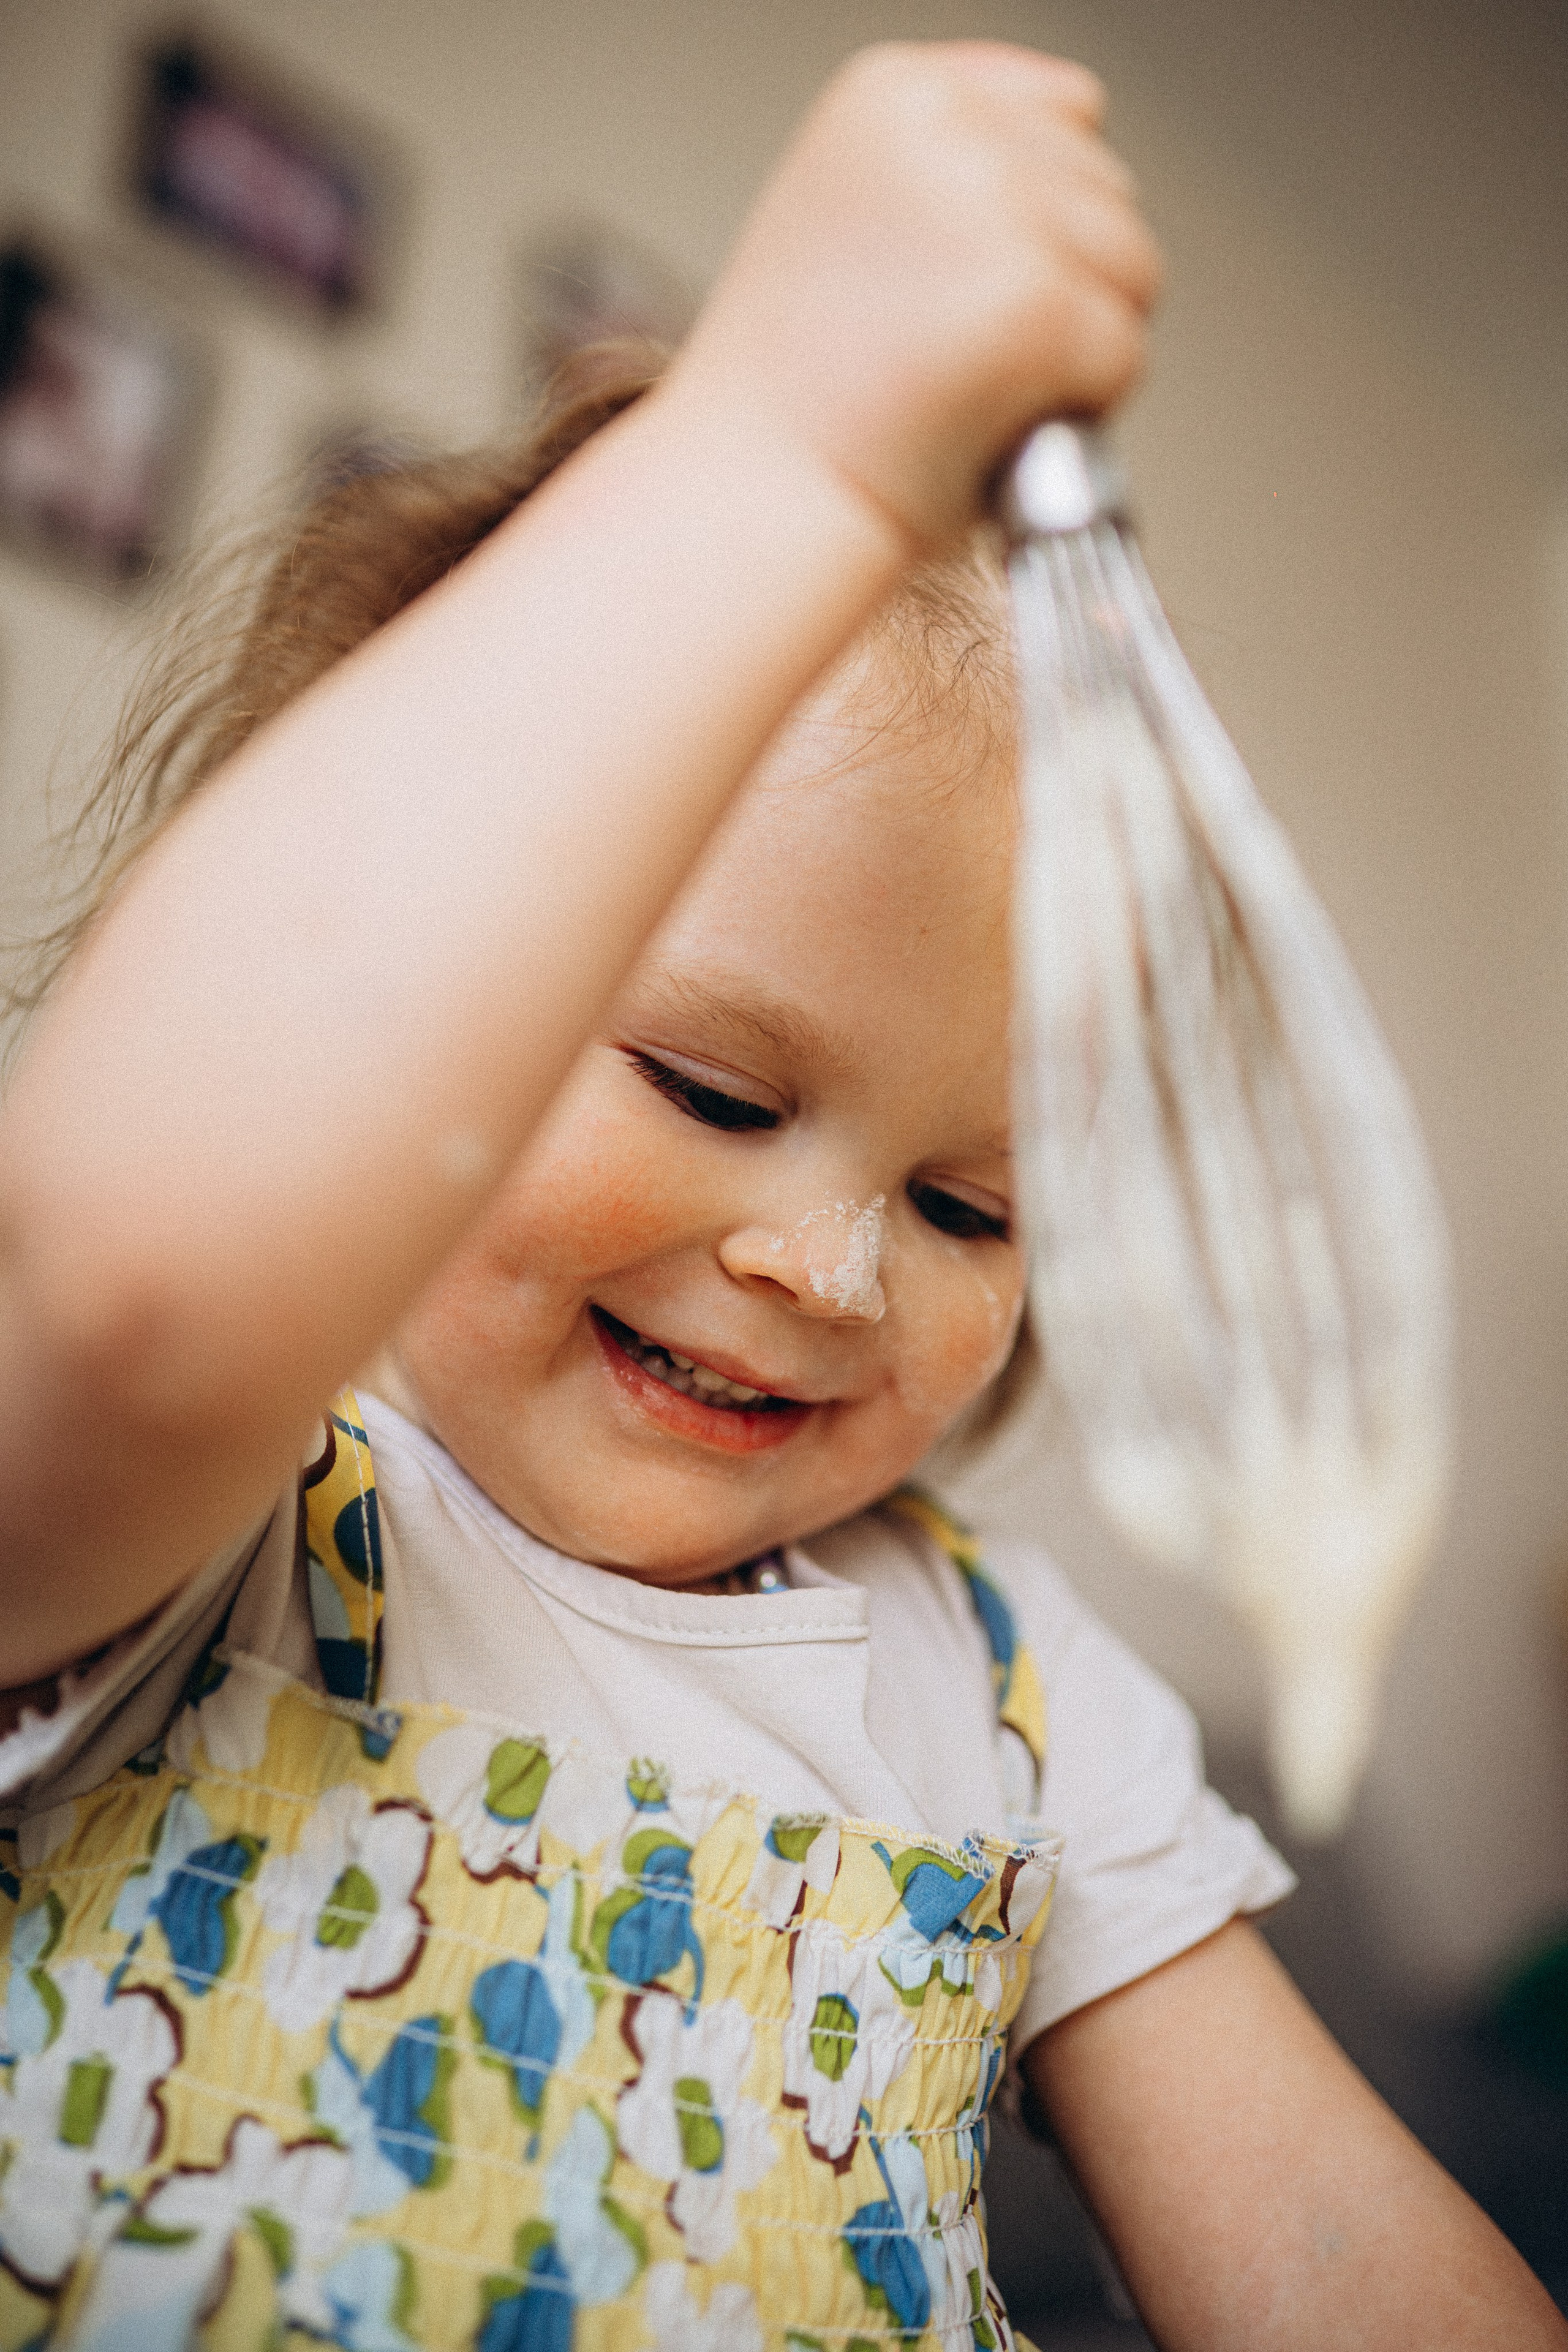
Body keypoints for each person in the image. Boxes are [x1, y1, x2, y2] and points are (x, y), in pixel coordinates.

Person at [0, 40, 1560, 2352]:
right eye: (712, 1090)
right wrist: (786, 447)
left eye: (970, 1209)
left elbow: (1339, 2269)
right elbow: (124, 1288)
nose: (827, 1269)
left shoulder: (1021, 1698)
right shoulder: (197, 1515)